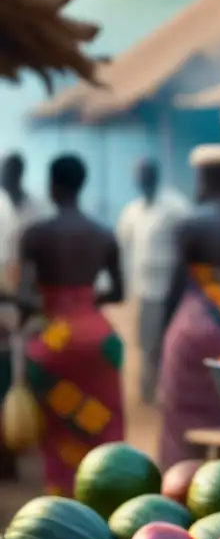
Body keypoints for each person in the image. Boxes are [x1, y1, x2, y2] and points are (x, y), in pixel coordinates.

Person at [18, 154, 124, 497]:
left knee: (59, 427)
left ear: (51, 186)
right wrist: (88, 303)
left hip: (55, 339)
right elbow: (119, 291)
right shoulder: (104, 234)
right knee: (103, 423)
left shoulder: (35, 234)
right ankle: (107, 486)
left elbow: (25, 297)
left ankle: (62, 495)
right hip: (100, 338)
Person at [157, 145, 220, 468]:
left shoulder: (190, 224)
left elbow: (174, 285)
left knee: (179, 414)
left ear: (201, 178)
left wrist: (161, 338)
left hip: (192, 322)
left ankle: (179, 479)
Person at [115, 159, 188, 404]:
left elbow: (187, 248)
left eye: (146, 176)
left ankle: (169, 392)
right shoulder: (132, 211)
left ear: (155, 176)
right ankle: (147, 394)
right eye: (139, 177)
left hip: (171, 290)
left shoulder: (176, 207)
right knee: (147, 343)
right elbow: (122, 248)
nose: (142, 181)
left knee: (169, 343)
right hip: (144, 291)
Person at [0, 152, 53, 292]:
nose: (4, 176)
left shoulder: (39, 207)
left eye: (8, 172)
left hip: (31, 277)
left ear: (19, 173)